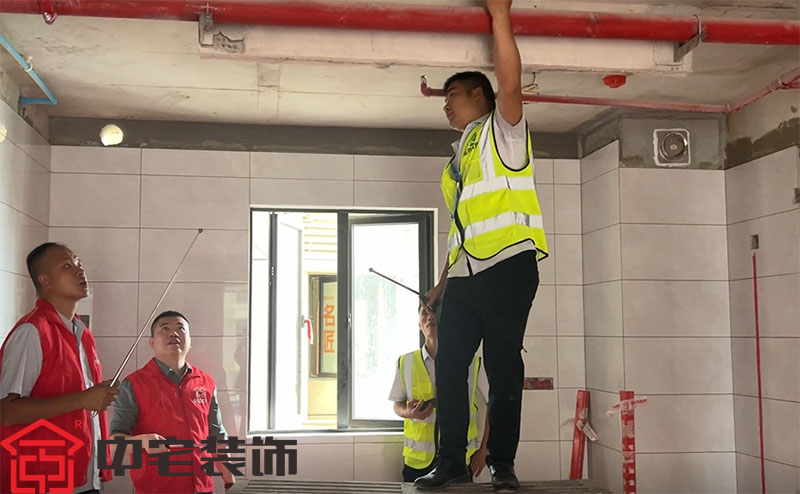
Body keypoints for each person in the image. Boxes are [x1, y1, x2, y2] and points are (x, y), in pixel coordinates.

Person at [415, 0, 549, 491]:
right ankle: (450, 460)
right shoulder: (457, 161)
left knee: (502, 366)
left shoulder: (502, 133)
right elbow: (462, 232)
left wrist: (500, 15)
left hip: (509, 266)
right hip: (466, 276)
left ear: (480, 95)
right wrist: (440, 285)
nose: (445, 105)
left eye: (452, 95)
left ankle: (502, 463)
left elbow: (510, 83)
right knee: (450, 366)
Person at [0, 242, 119, 494]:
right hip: (45, 481)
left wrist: (95, 396)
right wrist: (84, 399)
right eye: (67, 266)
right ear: (46, 281)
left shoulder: (81, 332)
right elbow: (7, 412)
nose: (79, 270)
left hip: (84, 477)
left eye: (78, 263)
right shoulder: (32, 331)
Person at [109, 310, 234, 493]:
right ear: (152, 342)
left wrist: (229, 478)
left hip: (203, 488)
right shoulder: (134, 384)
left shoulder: (206, 382)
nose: (173, 333)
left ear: (190, 340)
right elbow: (114, 444)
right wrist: (141, 441)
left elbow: (217, 436)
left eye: (180, 328)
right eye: (165, 329)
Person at [389, 302, 490, 483]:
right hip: (417, 462)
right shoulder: (405, 362)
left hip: (458, 462)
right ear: (419, 324)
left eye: (435, 312)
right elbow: (397, 404)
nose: (430, 317)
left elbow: (495, 405)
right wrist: (408, 412)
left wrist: (484, 451)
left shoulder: (472, 363)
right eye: (424, 313)